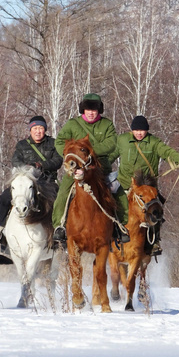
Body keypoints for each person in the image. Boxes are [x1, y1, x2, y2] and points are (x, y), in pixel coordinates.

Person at [51, 93, 129, 244]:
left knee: (118, 193)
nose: (91, 112)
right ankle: (59, 226)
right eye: (88, 109)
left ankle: (120, 226)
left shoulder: (107, 125)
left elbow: (111, 143)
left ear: (99, 110)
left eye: (94, 109)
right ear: (83, 110)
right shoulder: (72, 124)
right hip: (76, 169)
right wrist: (71, 154)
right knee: (63, 193)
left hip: (101, 168)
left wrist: (87, 151)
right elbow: (60, 141)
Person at [108, 115, 179, 256]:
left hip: (147, 187)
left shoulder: (154, 142)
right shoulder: (122, 140)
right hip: (125, 184)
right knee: (111, 207)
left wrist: (178, 161)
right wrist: (99, 167)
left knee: (155, 211)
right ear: (132, 130)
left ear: (147, 131)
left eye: (142, 130)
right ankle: (110, 237)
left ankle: (154, 242)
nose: (139, 133)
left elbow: (167, 151)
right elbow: (110, 156)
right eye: (136, 130)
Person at [0, 116, 62, 247]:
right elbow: (15, 161)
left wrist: (42, 165)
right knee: (4, 198)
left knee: (58, 201)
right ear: (30, 130)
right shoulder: (22, 145)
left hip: (47, 182)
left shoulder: (53, 143)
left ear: (45, 129)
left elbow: (58, 161)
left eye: (40, 128)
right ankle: (1, 230)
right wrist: (27, 168)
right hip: (26, 180)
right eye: (35, 128)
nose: (38, 131)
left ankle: (59, 232)